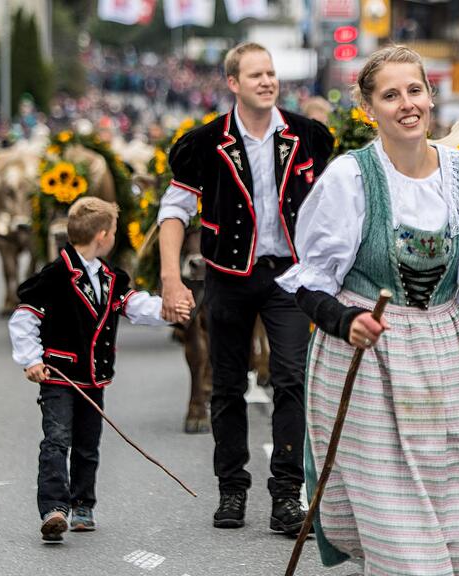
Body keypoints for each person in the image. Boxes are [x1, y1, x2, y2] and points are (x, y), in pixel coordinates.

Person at [276, 46, 459, 574]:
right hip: (368, 365)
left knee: (456, 532)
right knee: (405, 546)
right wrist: (346, 321)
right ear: (369, 108)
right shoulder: (350, 178)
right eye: (390, 95)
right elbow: (310, 284)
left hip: (450, 362)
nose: (406, 104)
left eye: (415, 90)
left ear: (431, 96)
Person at [157, 42, 334, 534]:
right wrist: (171, 278)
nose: (267, 81)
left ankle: (286, 495)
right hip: (228, 275)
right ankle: (231, 488)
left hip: (289, 276)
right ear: (233, 83)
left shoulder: (308, 135)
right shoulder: (204, 142)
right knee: (227, 384)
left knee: (291, 379)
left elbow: (334, 205)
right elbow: (174, 211)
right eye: (256, 75)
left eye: (271, 73)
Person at [8, 197, 191, 543]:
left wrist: (167, 309)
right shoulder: (54, 276)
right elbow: (24, 317)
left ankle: (82, 505)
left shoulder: (110, 277)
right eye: (114, 232)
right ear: (103, 236)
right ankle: (53, 508)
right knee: (56, 439)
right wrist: (31, 359)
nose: (114, 238)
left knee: (88, 444)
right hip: (59, 377)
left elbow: (133, 305)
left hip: (93, 378)